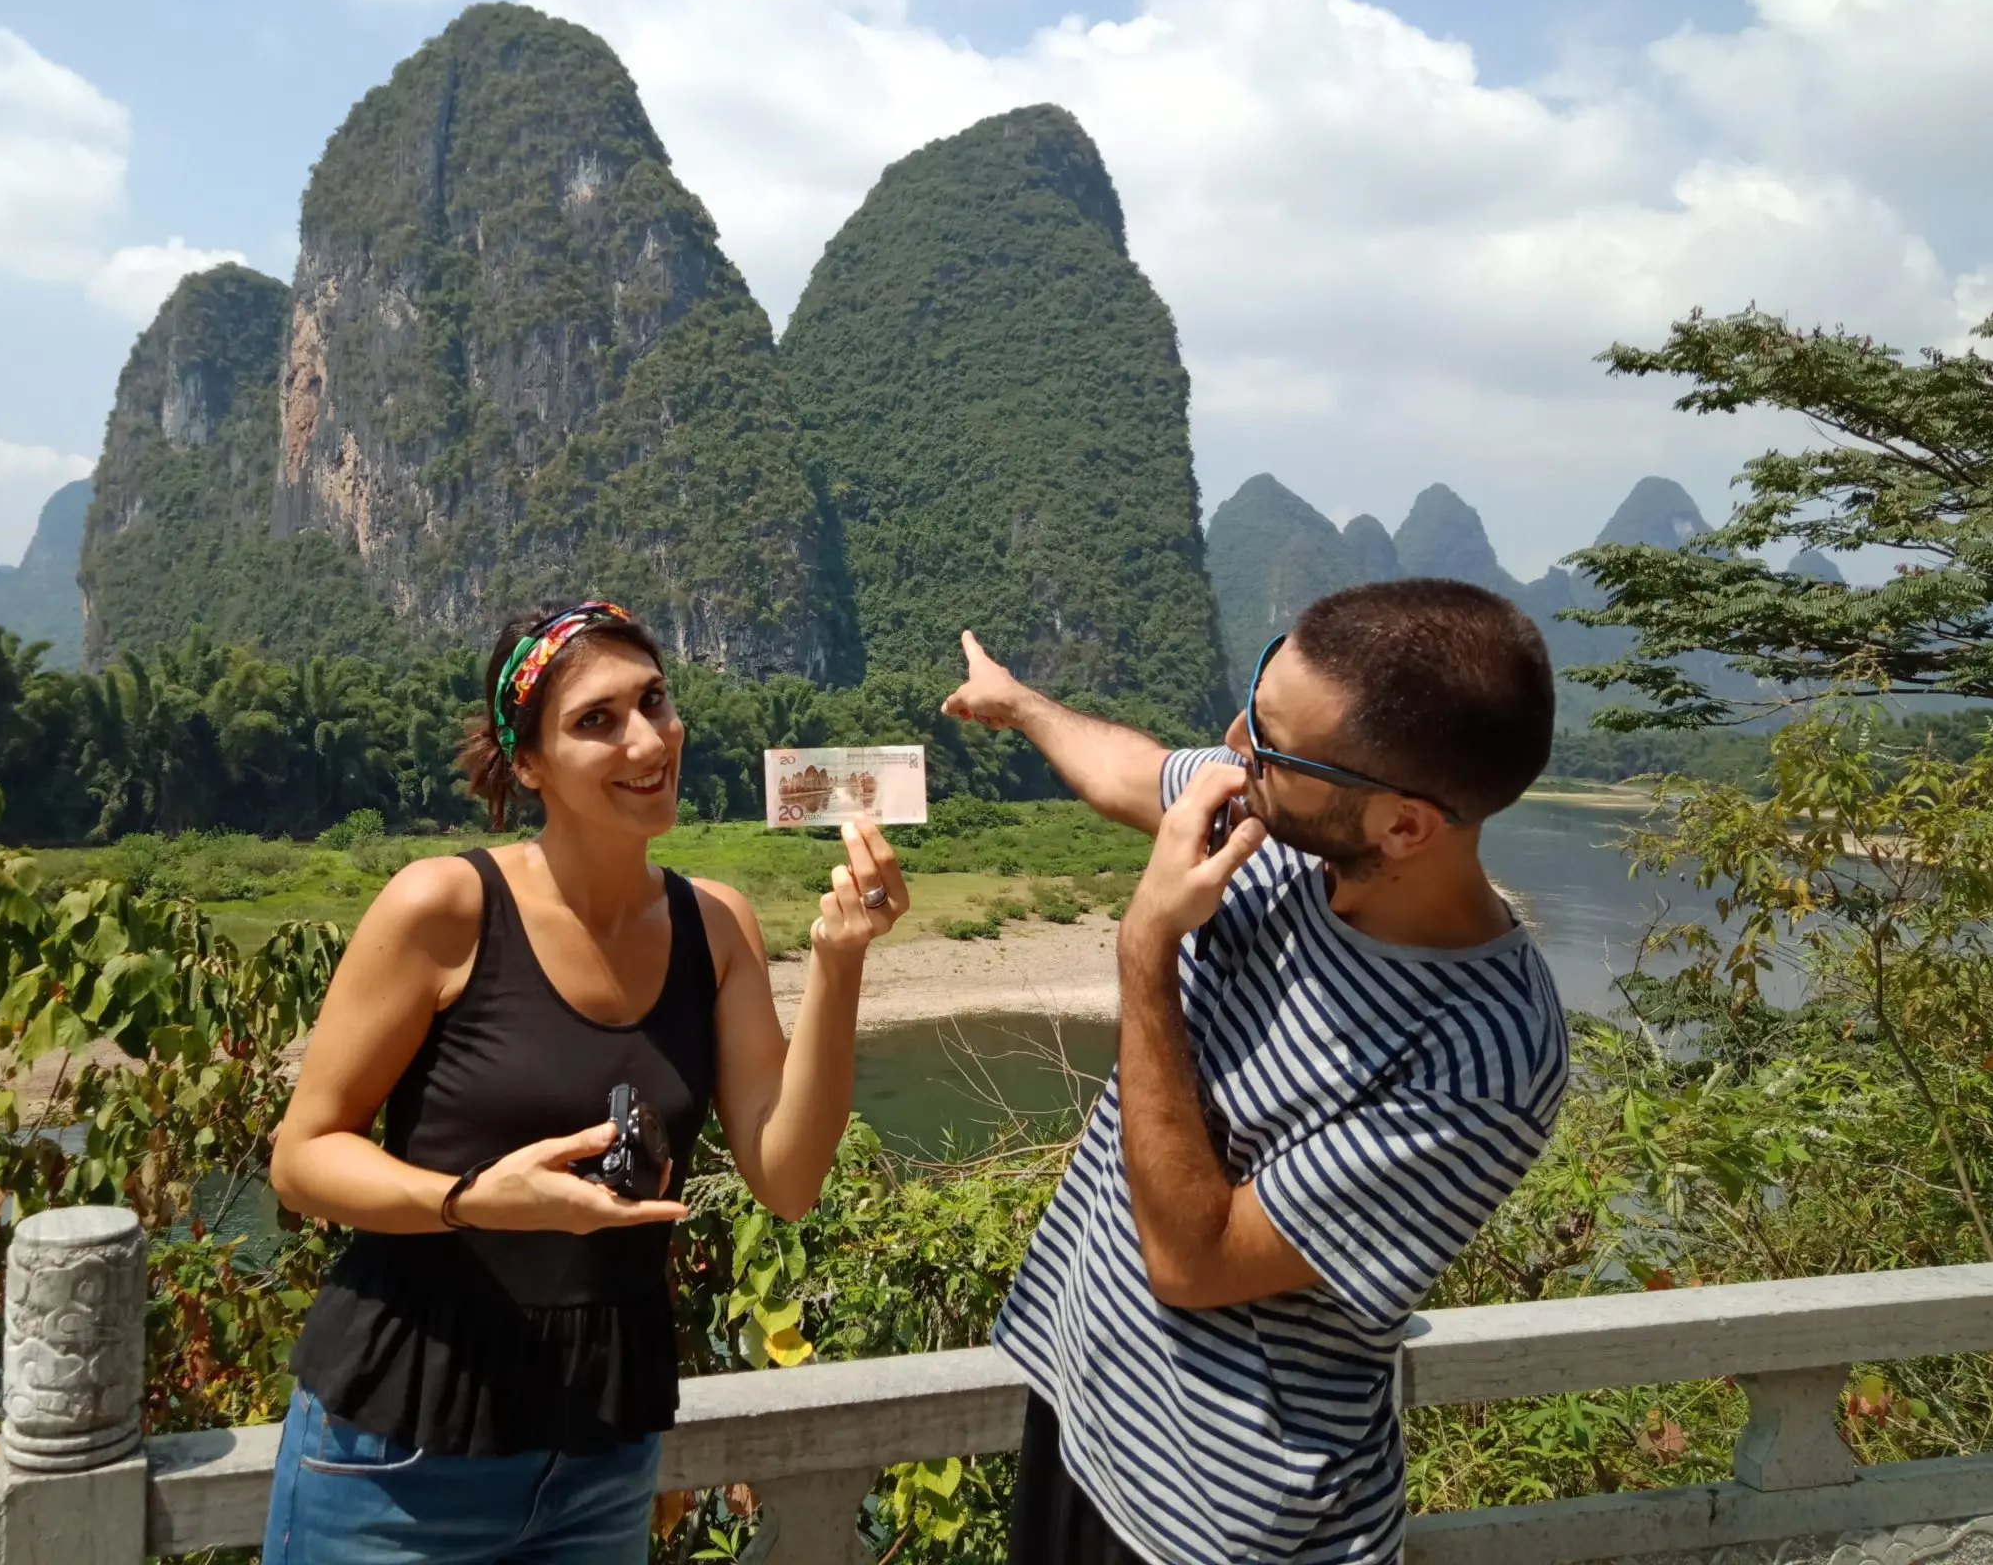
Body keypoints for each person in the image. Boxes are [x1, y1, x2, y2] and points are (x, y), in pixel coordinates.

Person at [263, 599, 909, 1565]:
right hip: (401, 1450)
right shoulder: (445, 905)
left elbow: (789, 1177)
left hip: (601, 1455)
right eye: (596, 720)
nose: (647, 739)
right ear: (527, 766)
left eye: (655, 701)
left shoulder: (715, 927)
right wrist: (475, 1200)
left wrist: (840, 961)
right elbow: (302, 1158)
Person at [942, 578, 1570, 1565]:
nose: (1234, 746)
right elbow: (1135, 770)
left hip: (1217, 1520)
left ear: (1402, 827)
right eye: (1253, 700)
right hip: (1082, 1424)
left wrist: (1145, 953)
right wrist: (1018, 704)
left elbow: (1198, 1263)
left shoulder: (1483, 1055)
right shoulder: (1278, 816)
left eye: (1269, 745)